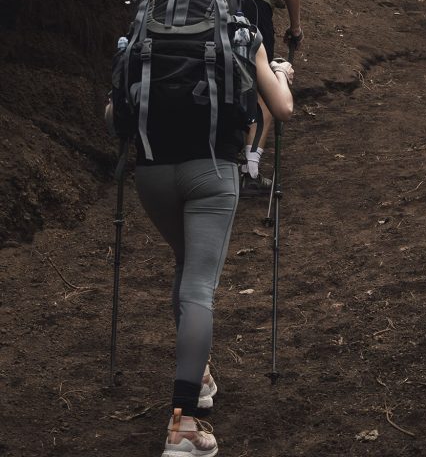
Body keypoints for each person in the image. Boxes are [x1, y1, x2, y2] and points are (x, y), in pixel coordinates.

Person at [109, 41, 294, 455]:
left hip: (153, 173)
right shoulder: (238, 27)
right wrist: (282, 74)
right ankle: (183, 426)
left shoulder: (145, 23)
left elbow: (113, 114)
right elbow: (281, 109)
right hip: (213, 170)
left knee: (185, 263)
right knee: (198, 286)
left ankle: (202, 375)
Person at [240, 0, 303, 195]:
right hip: (253, 5)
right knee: (260, 85)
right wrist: (295, 25)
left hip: (200, 0)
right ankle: (249, 169)